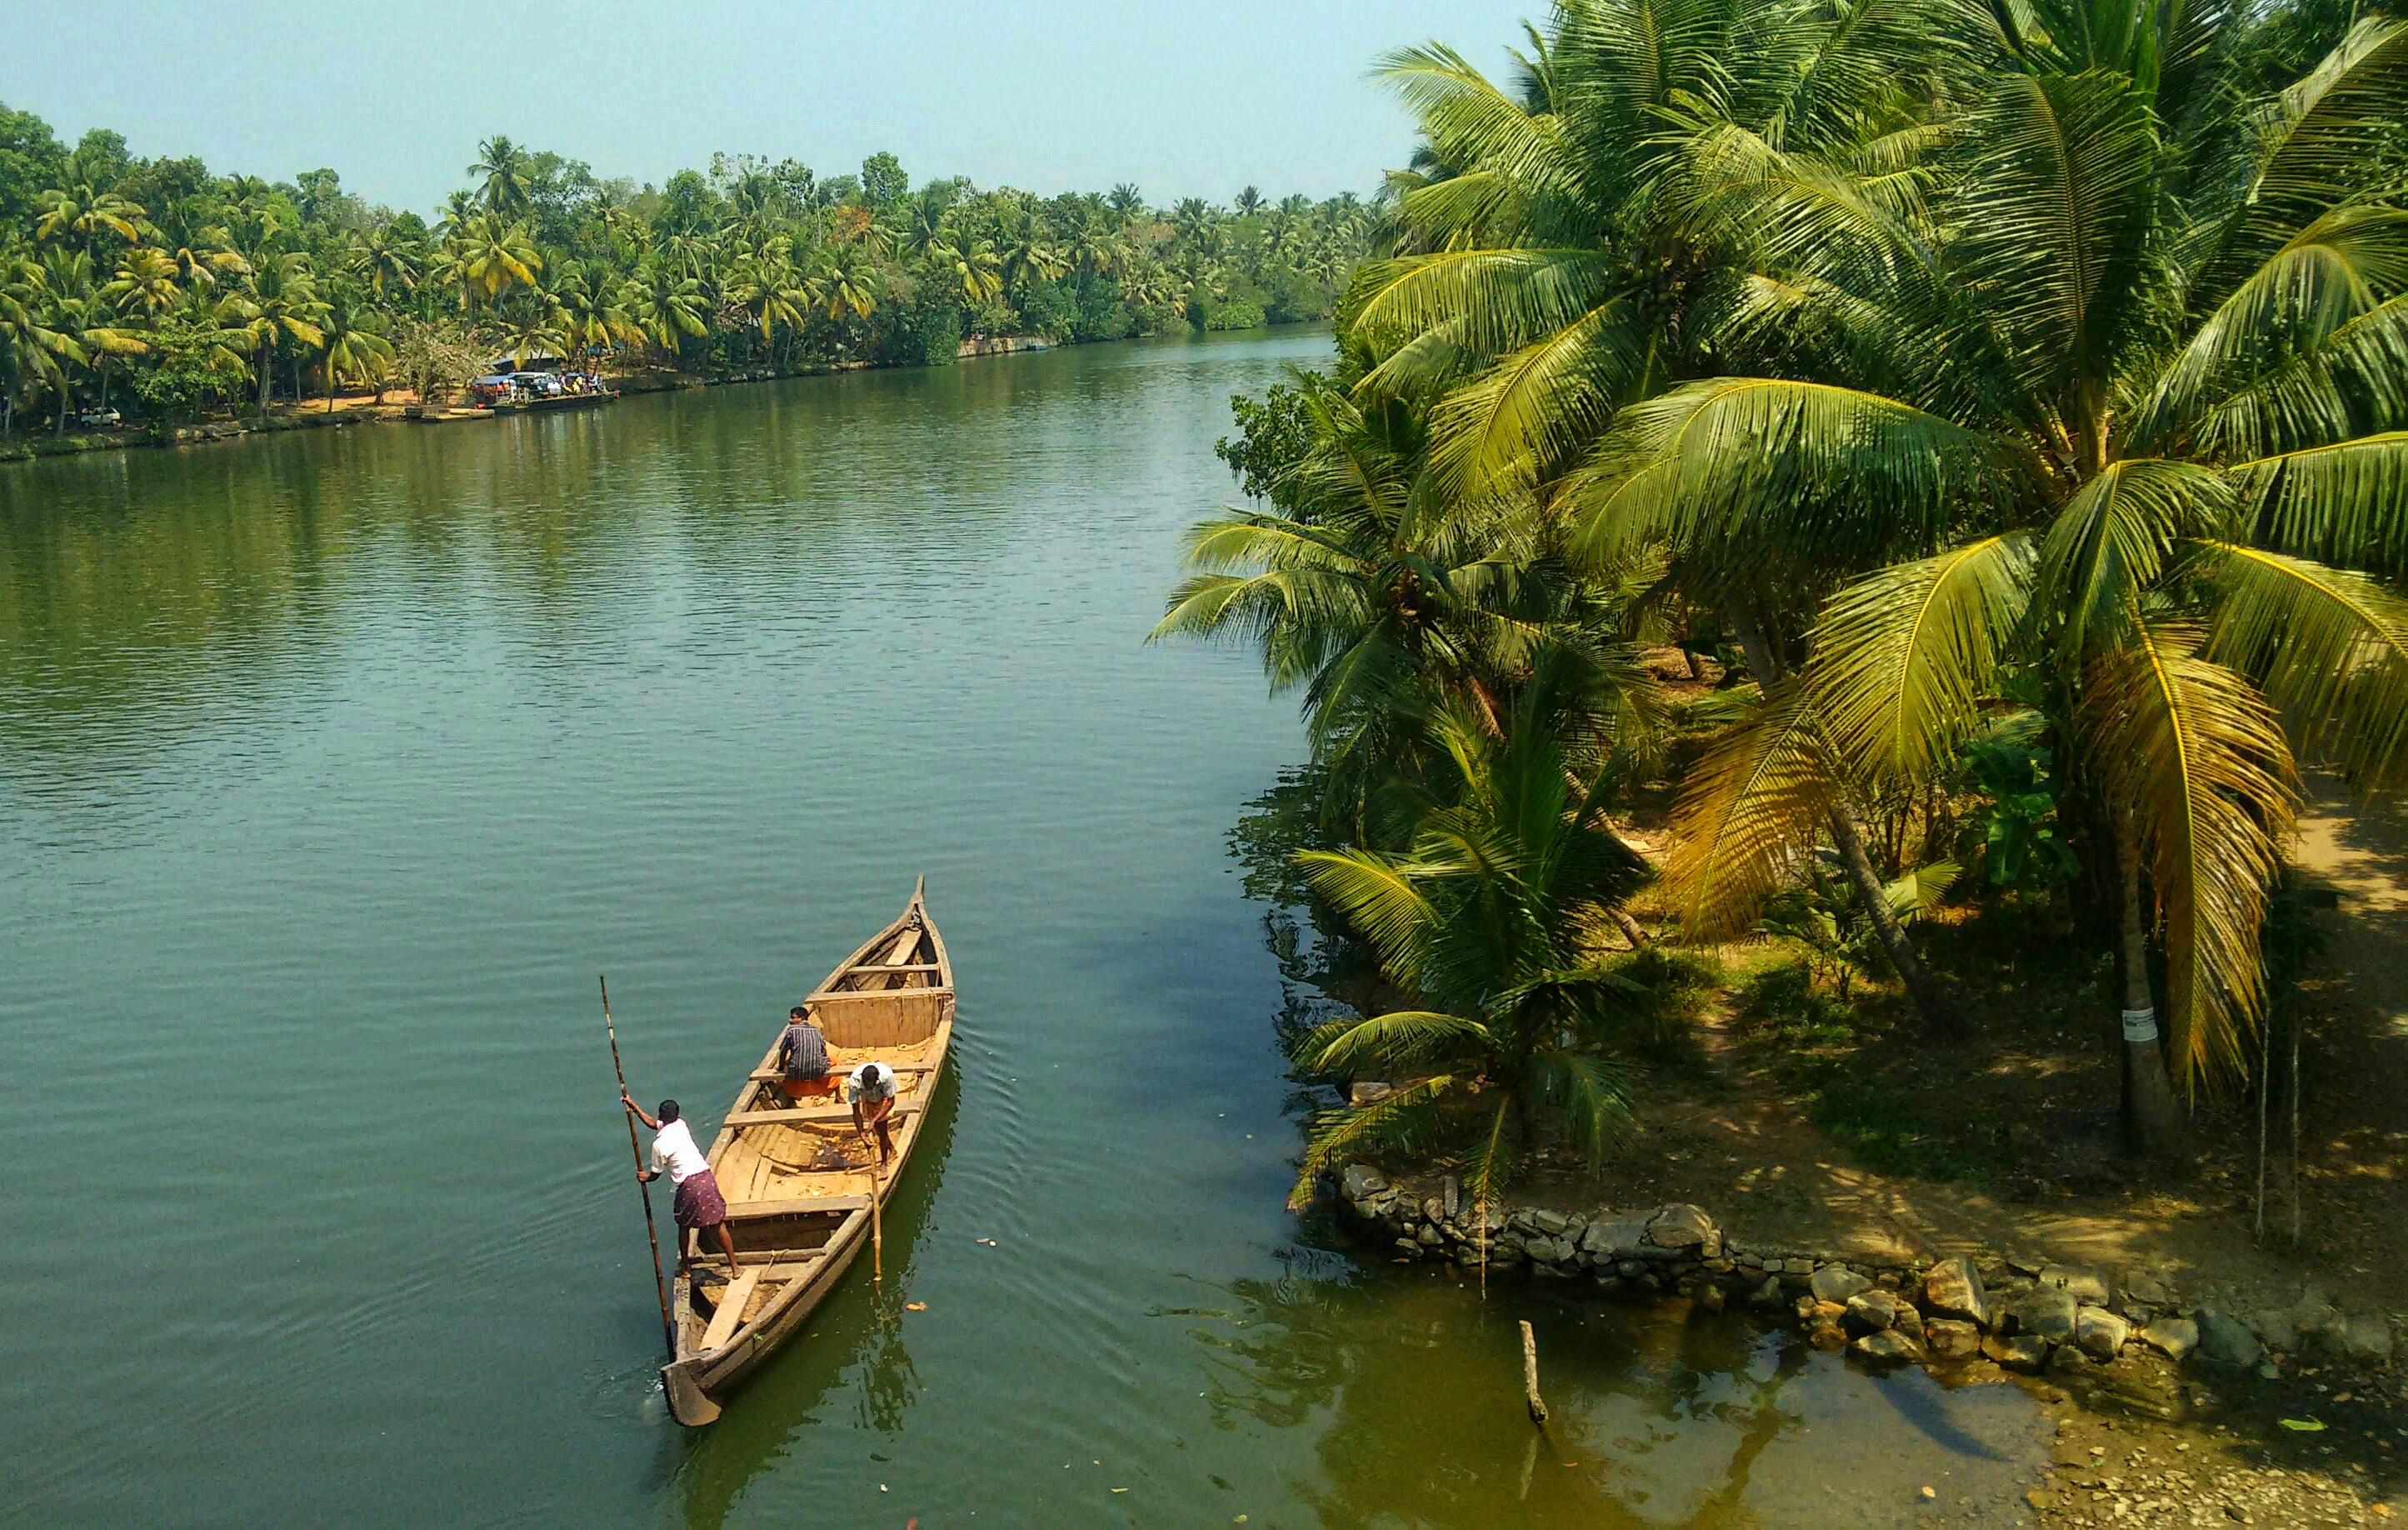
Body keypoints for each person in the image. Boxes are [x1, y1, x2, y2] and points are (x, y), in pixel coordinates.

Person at [622, 1092, 738, 1275]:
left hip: (689, 1185)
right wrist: (633, 1106)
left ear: (661, 1115)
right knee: (717, 1224)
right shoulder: (681, 1124)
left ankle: (685, 1268)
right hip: (706, 1177)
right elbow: (653, 1124)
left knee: (684, 1226)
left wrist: (645, 1177)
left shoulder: (659, 1145)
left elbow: (655, 1174)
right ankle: (735, 1268)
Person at [777, 1005, 836, 1102]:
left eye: (793, 1018)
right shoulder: (817, 1031)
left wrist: (780, 1067)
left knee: (788, 1064)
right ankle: (838, 1095)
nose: (790, 1020)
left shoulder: (791, 1030)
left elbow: (783, 1051)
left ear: (801, 1018)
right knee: (835, 1061)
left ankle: (795, 1095)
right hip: (818, 1071)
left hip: (795, 1073)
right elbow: (823, 1051)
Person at [847, 1060, 900, 1167]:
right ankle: (893, 1150)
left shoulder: (887, 1077)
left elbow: (890, 1101)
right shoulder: (854, 1082)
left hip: (883, 1098)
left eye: (870, 1086)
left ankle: (884, 1163)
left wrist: (874, 1120)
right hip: (868, 1099)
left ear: (876, 1081)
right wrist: (861, 1132)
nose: (869, 1087)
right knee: (878, 1130)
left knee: (881, 1127)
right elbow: (856, 1110)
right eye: (867, 1086)